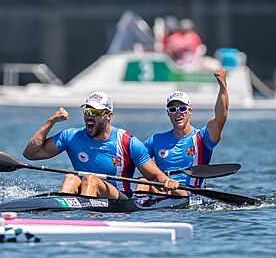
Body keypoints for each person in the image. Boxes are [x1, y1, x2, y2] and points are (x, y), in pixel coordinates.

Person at [22, 92, 179, 199]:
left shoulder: (128, 142)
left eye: (95, 113)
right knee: (71, 178)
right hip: (85, 191)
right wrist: (51, 122)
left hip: (120, 198)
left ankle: (88, 225)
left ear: (108, 116)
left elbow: (155, 176)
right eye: (87, 111)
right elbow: (31, 154)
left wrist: (168, 182)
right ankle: (65, 218)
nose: (90, 116)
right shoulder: (71, 136)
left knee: (90, 180)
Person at [136, 69, 229, 195]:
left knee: (154, 186)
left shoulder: (202, 138)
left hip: (190, 192)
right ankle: (131, 210)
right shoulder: (155, 140)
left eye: (182, 108)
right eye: (173, 109)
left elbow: (221, 117)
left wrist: (223, 87)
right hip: (161, 186)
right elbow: (132, 157)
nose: (178, 113)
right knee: (142, 182)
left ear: (189, 111)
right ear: (168, 113)